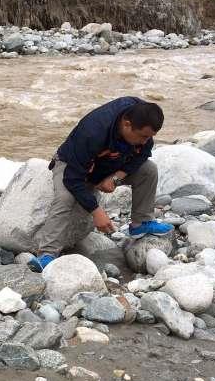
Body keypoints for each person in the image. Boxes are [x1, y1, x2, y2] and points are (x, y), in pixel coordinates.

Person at [28, 97, 173, 272]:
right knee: (65, 197)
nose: (146, 141)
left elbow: (143, 154)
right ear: (126, 124)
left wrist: (116, 178)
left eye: (150, 136)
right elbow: (72, 178)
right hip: (72, 165)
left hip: (109, 164)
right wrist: (96, 211)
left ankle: (140, 223)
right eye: (143, 136)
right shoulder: (93, 131)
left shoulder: (143, 119)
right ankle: (47, 255)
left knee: (148, 170)